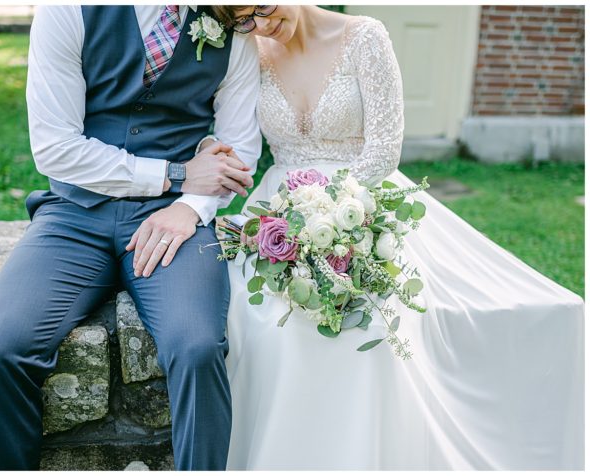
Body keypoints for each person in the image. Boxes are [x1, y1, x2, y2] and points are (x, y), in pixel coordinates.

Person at [210, 5, 584, 470]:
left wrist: (329, 214)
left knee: (372, 323)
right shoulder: (250, 50)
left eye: (262, 9)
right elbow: (232, 131)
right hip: (279, 214)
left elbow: (385, 148)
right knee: (258, 321)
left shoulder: (365, 37)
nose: (261, 26)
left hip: (362, 200)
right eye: (243, 19)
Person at [0, 5, 262, 470]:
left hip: (176, 221)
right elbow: (55, 148)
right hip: (74, 215)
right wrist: (177, 174)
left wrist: (189, 207)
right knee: (0, 349)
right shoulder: (67, 10)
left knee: (198, 349)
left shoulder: (231, 21)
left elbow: (239, 150)